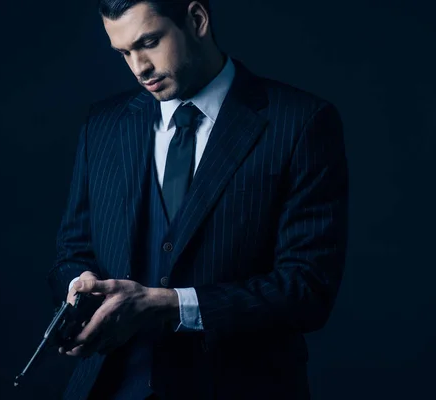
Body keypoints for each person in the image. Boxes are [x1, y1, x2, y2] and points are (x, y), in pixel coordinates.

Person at [45, 0, 349, 399]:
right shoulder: (103, 126)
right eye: (124, 53)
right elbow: (73, 249)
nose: (140, 68)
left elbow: (306, 290)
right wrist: (80, 285)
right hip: (110, 387)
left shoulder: (300, 123)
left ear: (197, 20)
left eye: (149, 42)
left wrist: (169, 304)